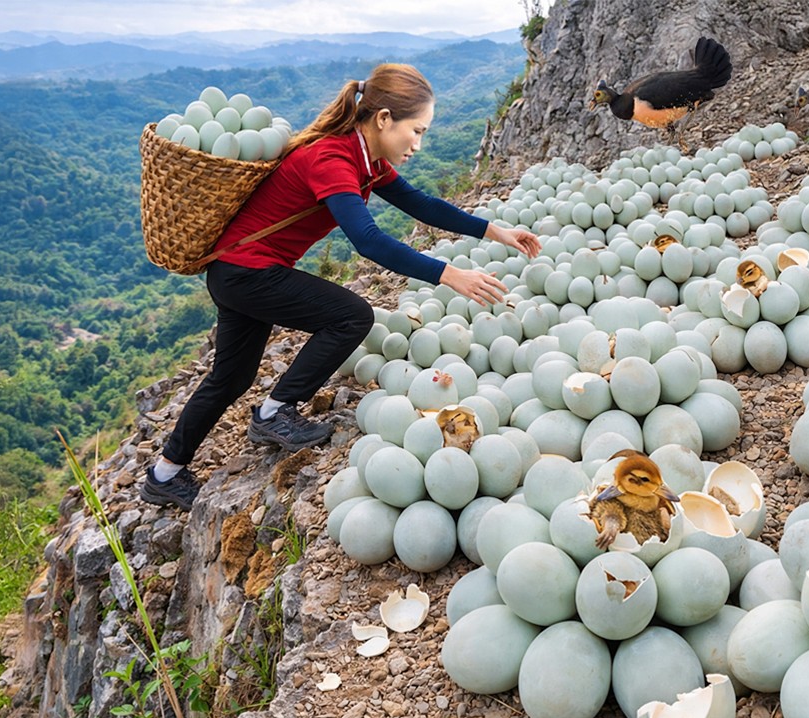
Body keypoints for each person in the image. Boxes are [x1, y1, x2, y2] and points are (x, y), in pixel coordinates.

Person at [140, 63, 539, 511]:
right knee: (351, 315)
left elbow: (422, 205)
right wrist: (449, 274)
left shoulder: (365, 160)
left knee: (230, 377)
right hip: (248, 274)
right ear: (384, 119)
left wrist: (496, 231)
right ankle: (276, 412)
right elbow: (367, 240)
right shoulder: (331, 158)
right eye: (416, 130)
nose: (418, 144)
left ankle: (164, 474)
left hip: (237, 272)